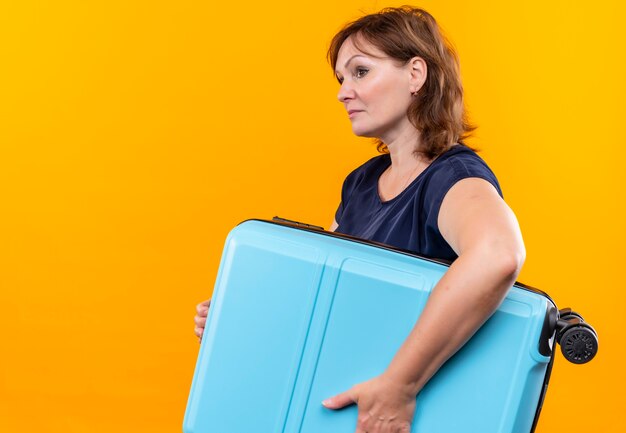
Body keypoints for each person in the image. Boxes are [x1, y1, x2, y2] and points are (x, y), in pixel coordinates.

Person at [194, 6, 525, 433]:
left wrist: (400, 386)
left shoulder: (452, 176)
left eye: (360, 72)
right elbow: (323, 296)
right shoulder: (361, 184)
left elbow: (498, 254)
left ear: (415, 74)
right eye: (341, 79)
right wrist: (241, 314)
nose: (343, 92)